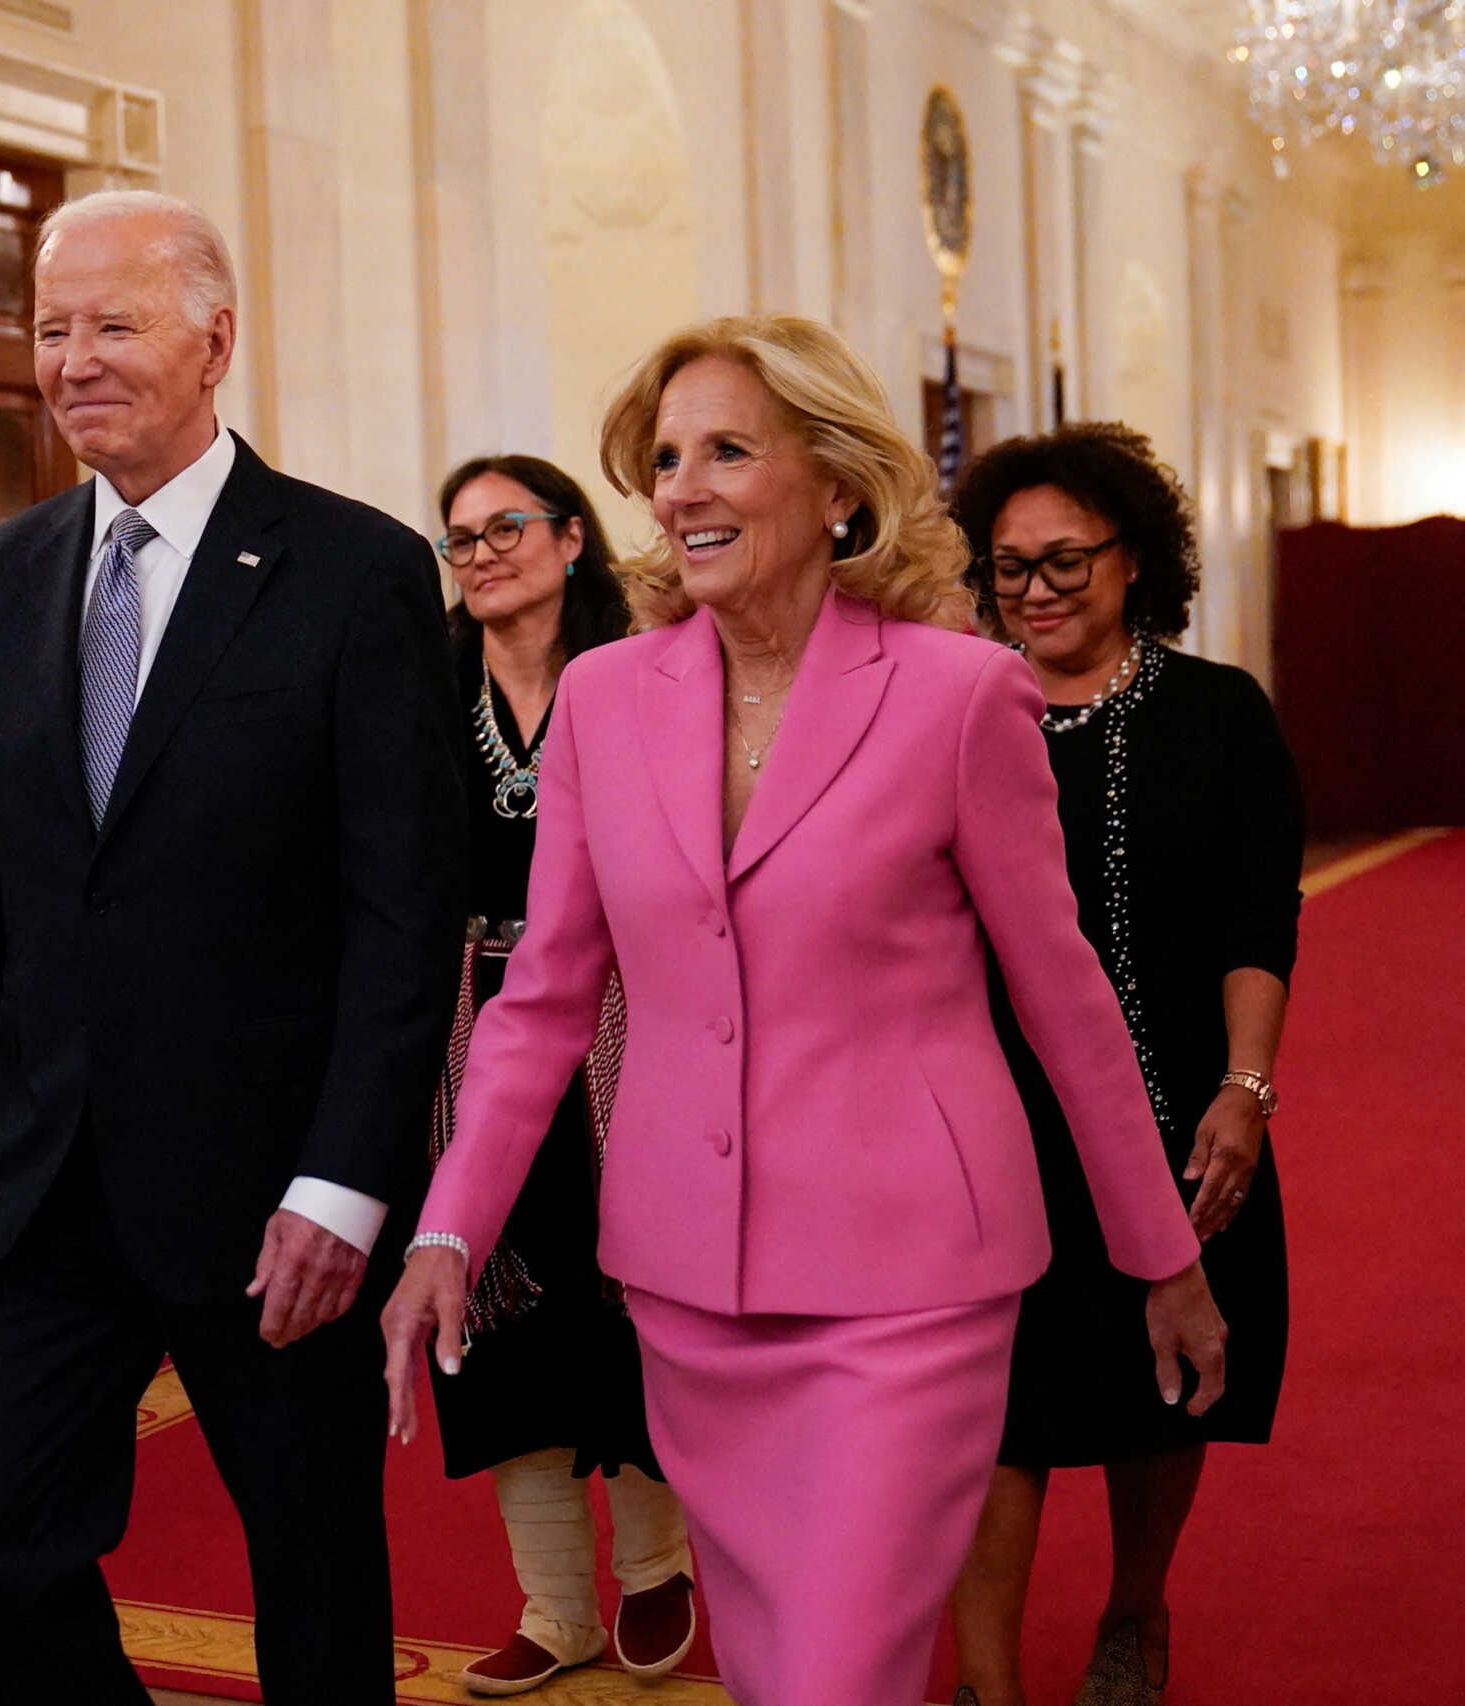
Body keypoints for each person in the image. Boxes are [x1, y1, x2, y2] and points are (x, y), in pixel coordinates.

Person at [383, 316, 1230, 1706]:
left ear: (836, 484)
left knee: (837, 1675)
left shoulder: (960, 695)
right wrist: (449, 1224)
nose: (682, 488)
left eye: (727, 449)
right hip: (689, 1287)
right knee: (782, 1671)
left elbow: (1064, 994)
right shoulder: (605, 700)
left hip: (916, 1285)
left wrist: (1161, 1251)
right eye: (664, 458)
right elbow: (543, 1000)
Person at [0, 188, 463, 1706]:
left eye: (114, 323)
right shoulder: (0, 575)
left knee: (313, 1570)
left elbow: (405, 915)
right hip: (48, 1180)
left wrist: (348, 1181)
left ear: (215, 341)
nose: (73, 359)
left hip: (273, 1188)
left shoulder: (354, 573)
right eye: (49, 328)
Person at [945, 423, 1302, 1706]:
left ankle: (1134, 1610)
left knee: (1166, 1388)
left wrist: (1244, 1091)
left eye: (1065, 561)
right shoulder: (953, 711)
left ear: (1135, 560)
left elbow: (1260, 921)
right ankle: (985, 1681)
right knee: (992, 1403)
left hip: (1178, 1113)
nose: (1034, 590)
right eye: (1008, 568)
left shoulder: (1218, 713)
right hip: (989, 1126)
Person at [429, 454, 697, 1696]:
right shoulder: (422, 687)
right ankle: (554, 1605)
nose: (480, 553)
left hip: (627, 1015)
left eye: (505, 527)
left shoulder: (644, 668)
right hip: (468, 1021)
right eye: (460, 537)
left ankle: (655, 1569)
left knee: (631, 1285)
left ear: (572, 538)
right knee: (492, 1307)